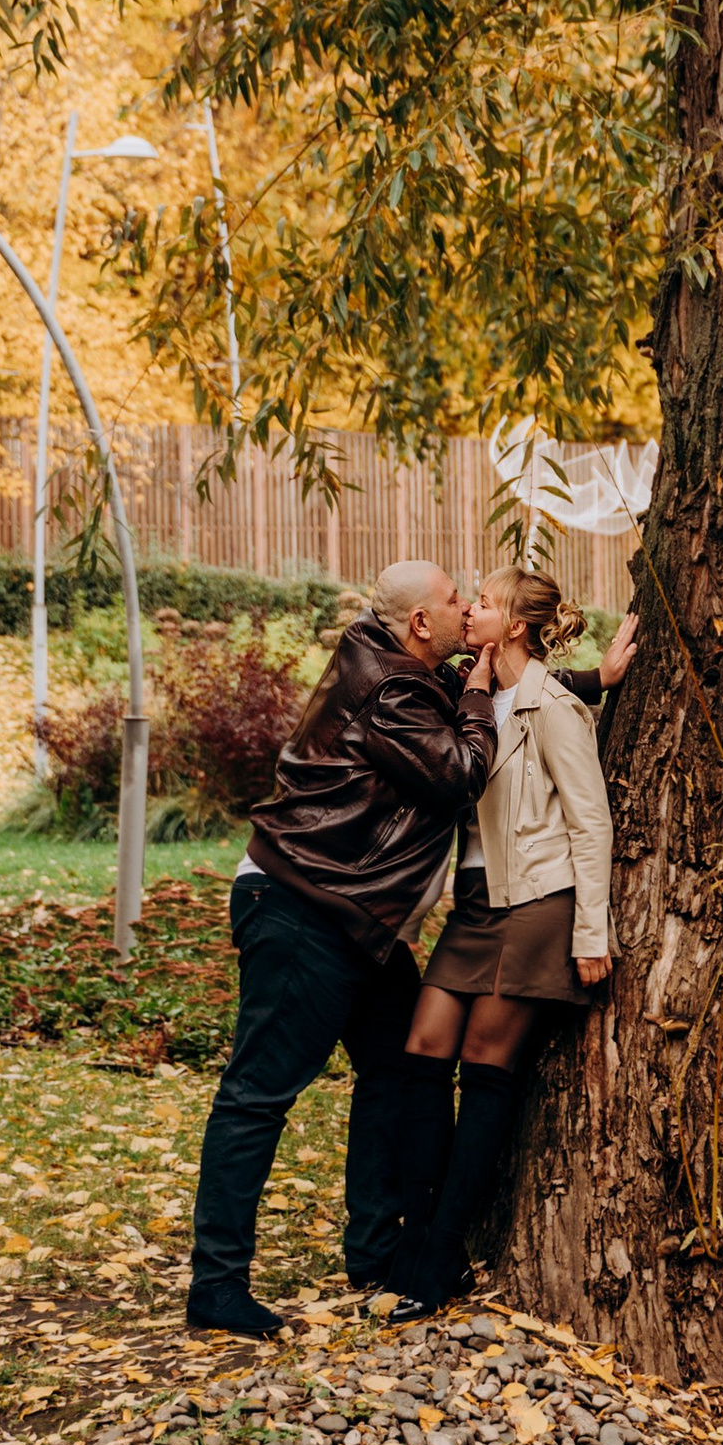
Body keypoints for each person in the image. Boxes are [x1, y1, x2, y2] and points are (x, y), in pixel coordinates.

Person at [186, 557, 496, 1340]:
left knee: (397, 1069)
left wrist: (586, 678)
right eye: (454, 598)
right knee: (258, 1093)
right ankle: (216, 1285)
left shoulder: (398, 668)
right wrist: (481, 694)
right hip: (305, 907)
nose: (466, 606)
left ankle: (377, 1251)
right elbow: (459, 771)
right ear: (419, 623)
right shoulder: (393, 689)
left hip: (354, 919)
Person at [384, 563, 626, 1317]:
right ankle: (420, 1234)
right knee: (423, 1048)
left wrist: (592, 931)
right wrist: (596, 676)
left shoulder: (554, 708)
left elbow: (591, 823)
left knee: (486, 1062)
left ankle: (439, 1256)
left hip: (538, 902)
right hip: (475, 906)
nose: (469, 610)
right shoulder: (471, 691)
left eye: (483, 603)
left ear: (514, 625)